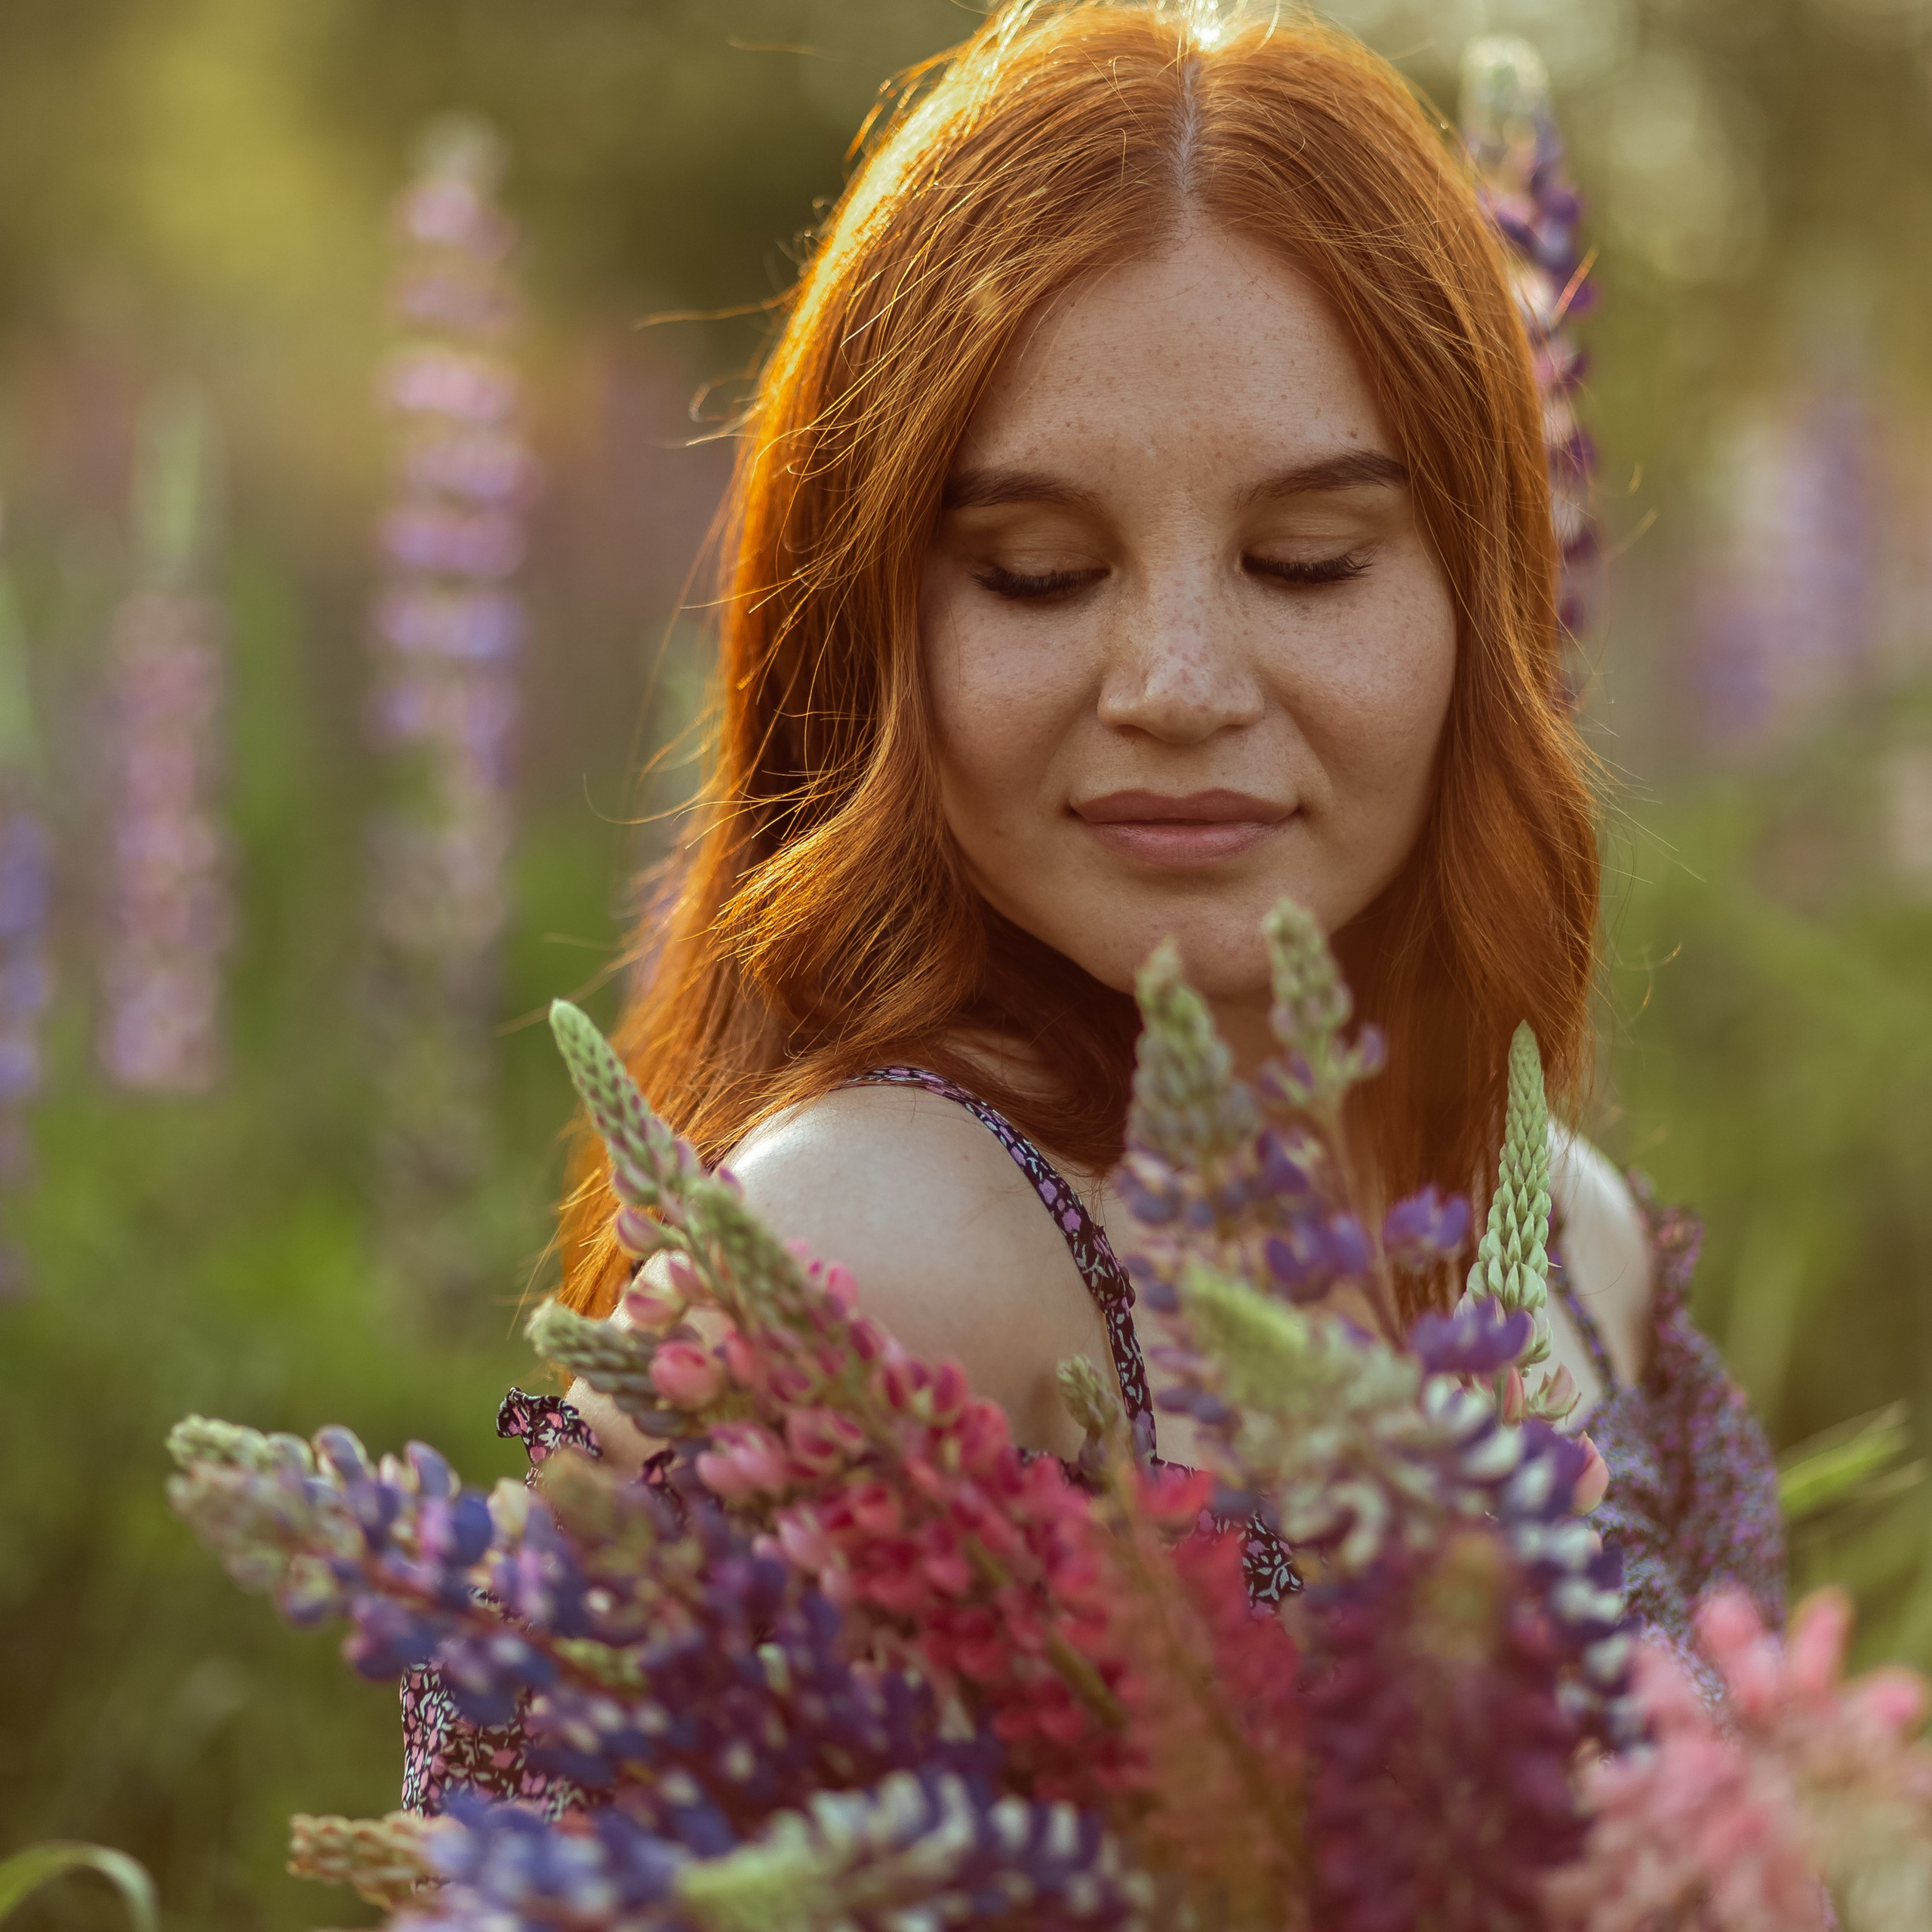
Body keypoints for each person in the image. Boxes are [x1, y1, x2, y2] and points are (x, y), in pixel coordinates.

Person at [402, 0, 1783, 1816]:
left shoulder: (1568, 1244)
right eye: (1036, 573)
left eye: (1308, 559)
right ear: (870, 624)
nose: (1178, 680)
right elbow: (504, 1867)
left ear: (1484, 600)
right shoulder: (866, 1250)